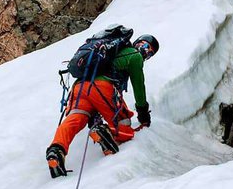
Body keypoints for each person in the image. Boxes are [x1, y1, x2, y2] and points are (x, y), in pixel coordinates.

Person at [46, 33, 160, 178]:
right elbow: (139, 87)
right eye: (145, 46)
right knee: (123, 124)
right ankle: (105, 131)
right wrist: (143, 113)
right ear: (136, 43)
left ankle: (56, 149)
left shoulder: (109, 52)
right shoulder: (134, 56)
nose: (145, 51)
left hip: (79, 88)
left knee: (75, 118)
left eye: (149, 52)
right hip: (102, 87)